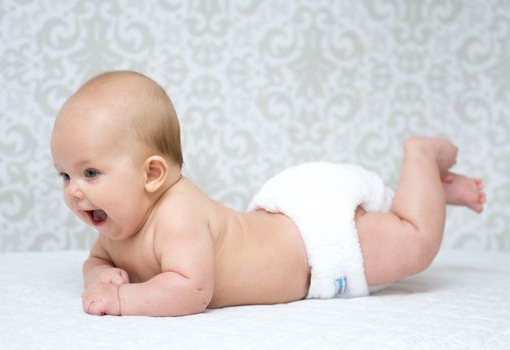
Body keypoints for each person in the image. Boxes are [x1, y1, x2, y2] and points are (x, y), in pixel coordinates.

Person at [50, 71, 486, 317]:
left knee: (415, 242)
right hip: (289, 226)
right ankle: (434, 192)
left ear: (152, 174)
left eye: (90, 172)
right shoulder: (115, 228)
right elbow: (98, 261)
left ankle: (423, 160)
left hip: (314, 243)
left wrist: (123, 298)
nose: (75, 192)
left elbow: (191, 290)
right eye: (65, 177)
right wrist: (98, 276)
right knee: (400, 227)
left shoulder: (177, 213)